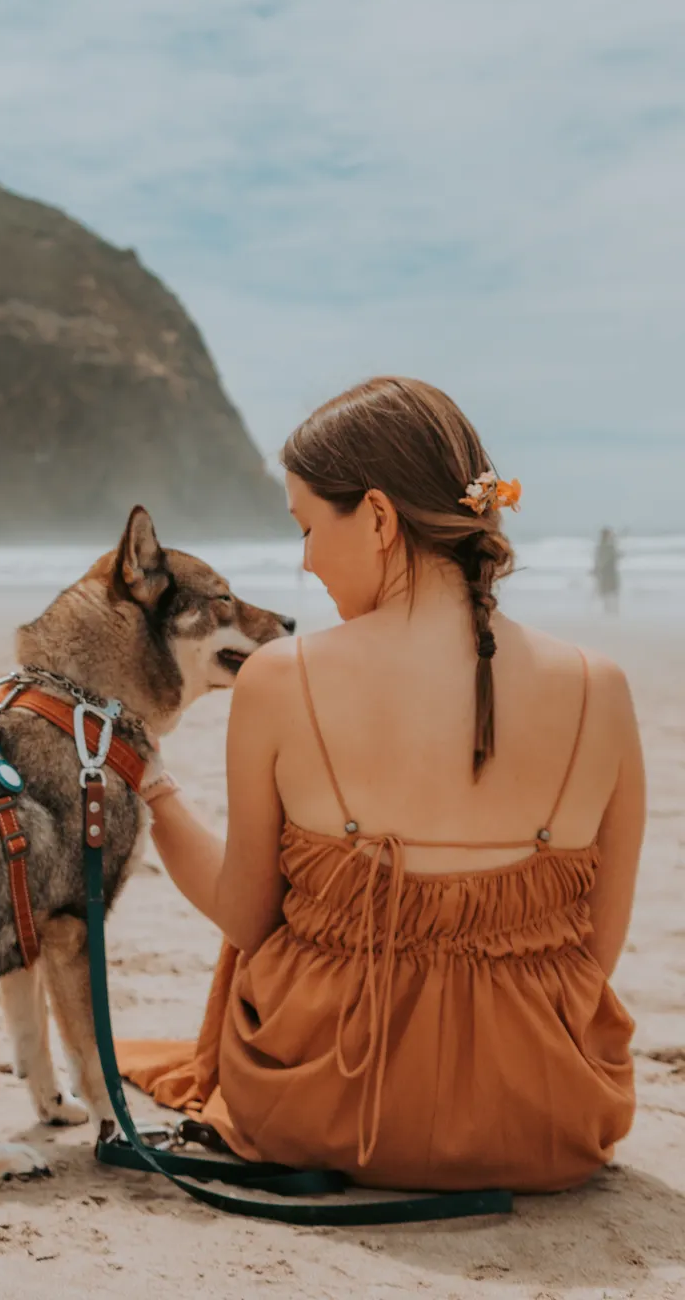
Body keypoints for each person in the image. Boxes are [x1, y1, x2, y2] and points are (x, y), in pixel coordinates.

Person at [121, 377, 642, 1194]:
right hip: (550, 1116)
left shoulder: (280, 680)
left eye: (306, 527)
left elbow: (246, 915)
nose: (303, 560)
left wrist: (148, 788)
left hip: (325, 1104)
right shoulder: (600, 686)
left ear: (376, 517)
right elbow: (595, 953)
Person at [594, 526, 620, 614]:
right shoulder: (606, 546)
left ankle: (610, 609)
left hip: (608, 571)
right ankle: (610, 610)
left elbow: (599, 559)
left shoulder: (605, 546)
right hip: (607, 571)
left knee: (609, 591)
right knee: (609, 591)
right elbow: (613, 556)